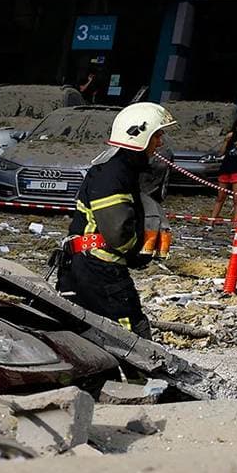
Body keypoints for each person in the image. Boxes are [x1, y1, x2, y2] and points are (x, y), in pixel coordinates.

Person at [56, 101, 177, 339]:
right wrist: (136, 252)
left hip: (87, 264)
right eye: (156, 136)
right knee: (129, 335)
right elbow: (117, 231)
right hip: (99, 268)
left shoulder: (120, 168)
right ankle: (133, 376)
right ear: (138, 136)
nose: (160, 143)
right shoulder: (113, 173)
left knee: (85, 333)